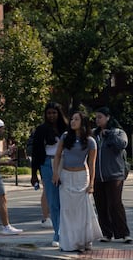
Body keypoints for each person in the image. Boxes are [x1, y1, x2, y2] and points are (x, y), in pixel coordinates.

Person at [53, 110, 102, 252]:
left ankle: (83, 241)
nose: (73, 121)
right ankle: (68, 242)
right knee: (67, 210)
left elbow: (92, 164)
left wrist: (91, 184)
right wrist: (56, 173)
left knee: (82, 211)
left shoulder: (91, 141)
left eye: (76, 119)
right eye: (72, 119)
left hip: (82, 177)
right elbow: (57, 155)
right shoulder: (65, 136)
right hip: (66, 176)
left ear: (83, 123)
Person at [29, 101, 69, 244]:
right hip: (47, 164)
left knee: (66, 200)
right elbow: (36, 152)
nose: (51, 115)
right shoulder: (41, 129)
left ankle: (68, 231)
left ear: (59, 113)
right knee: (53, 201)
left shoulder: (67, 128)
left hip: (65, 164)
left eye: (54, 112)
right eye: (49, 113)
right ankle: (57, 234)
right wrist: (34, 174)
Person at [93, 106, 132, 243]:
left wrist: (110, 135)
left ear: (108, 117)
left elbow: (123, 144)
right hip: (97, 176)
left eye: (100, 117)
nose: (97, 120)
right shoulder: (94, 134)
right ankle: (106, 234)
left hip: (115, 175)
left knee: (115, 204)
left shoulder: (118, 132)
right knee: (100, 205)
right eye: (96, 117)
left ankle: (124, 233)